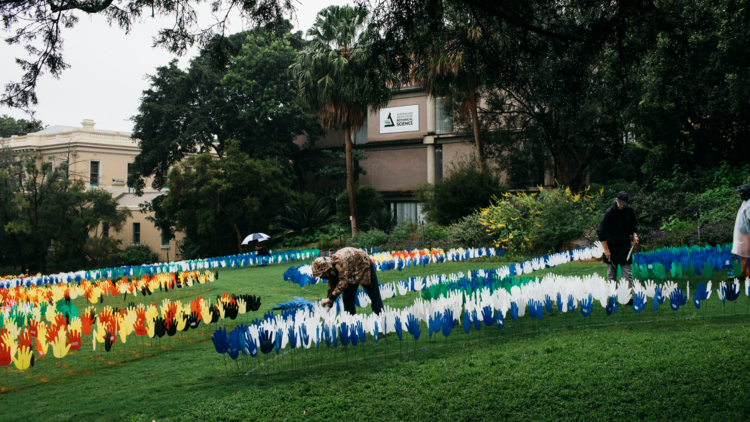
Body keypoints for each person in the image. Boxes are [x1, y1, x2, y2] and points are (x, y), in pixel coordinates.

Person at [311, 247, 384, 316]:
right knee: (347, 299)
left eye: (322, 274)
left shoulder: (339, 262)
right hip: (350, 272)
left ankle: (381, 321)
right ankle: (351, 323)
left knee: (374, 296)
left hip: (364, 265)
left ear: (327, 268)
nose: (321, 277)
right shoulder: (330, 273)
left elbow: (343, 283)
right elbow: (331, 290)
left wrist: (331, 298)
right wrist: (328, 308)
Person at [597, 191, 639, 304]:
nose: (622, 205)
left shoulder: (629, 211)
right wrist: (606, 250)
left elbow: (633, 225)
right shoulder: (609, 213)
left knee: (628, 274)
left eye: (624, 203)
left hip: (625, 247)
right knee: (611, 275)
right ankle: (612, 297)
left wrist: (634, 235)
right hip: (611, 247)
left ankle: (629, 297)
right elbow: (600, 231)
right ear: (616, 200)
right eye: (621, 203)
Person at [732, 184, 750, 279]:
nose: (741, 194)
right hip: (742, 233)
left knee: (748, 254)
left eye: (742, 192)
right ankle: (742, 272)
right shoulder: (745, 202)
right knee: (742, 254)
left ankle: (748, 274)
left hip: (747, 234)